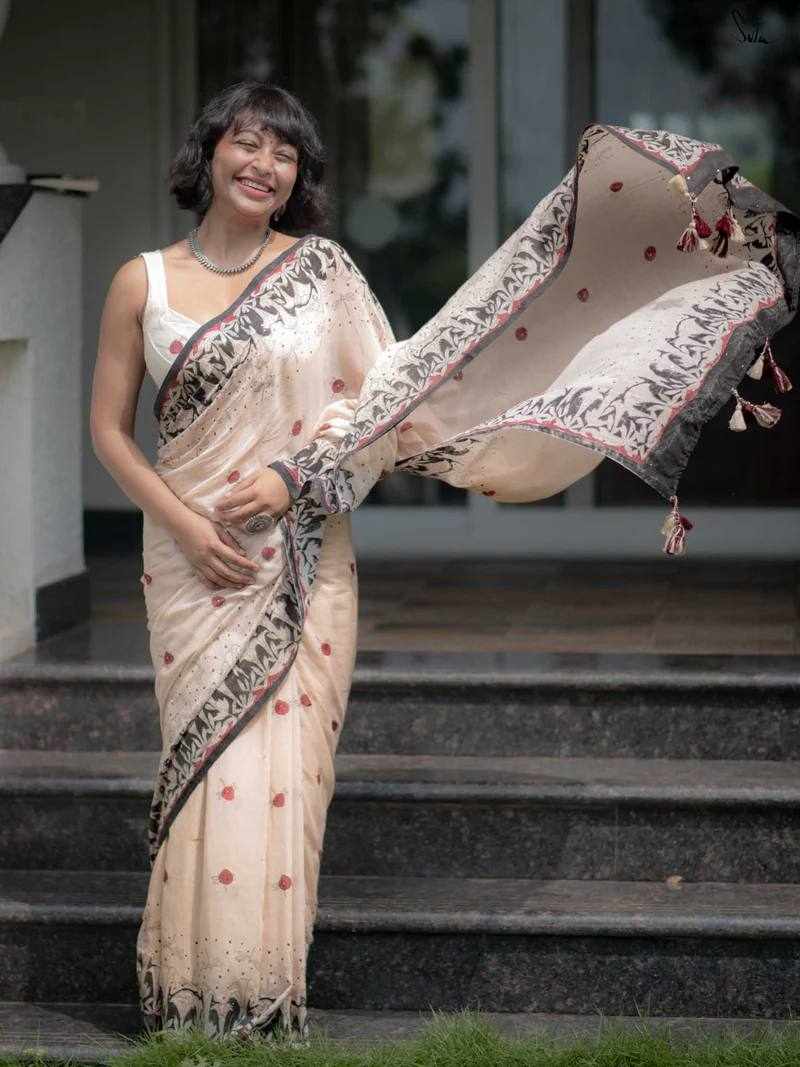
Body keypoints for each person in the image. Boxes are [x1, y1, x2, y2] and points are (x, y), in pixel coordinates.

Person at [90, 80, 799, 1044]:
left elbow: (385, 401)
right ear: (208, 150)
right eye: (247, 144)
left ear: (299, 177)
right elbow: (109, 433)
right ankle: (187, 999)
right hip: (188, 564)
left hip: (300, 556)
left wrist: (296, 477)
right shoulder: (143, 282)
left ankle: (256, 1001)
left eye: (285, 154)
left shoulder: (323, 273)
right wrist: (181, 523)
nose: (264, 166)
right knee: (204, 768)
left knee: (281, 776)